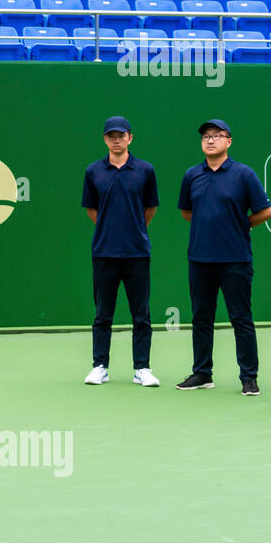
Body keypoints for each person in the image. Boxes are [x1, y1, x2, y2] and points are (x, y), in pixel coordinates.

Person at [175, 119, 271, 395]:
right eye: (206, 136)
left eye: (217, 135)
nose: (210, 140)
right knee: (201, 318)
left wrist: (239, 225)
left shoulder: (244, 174)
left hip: (235, 259)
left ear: (228, 141)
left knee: (240, 318)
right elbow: (186, 212)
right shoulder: (192, 175)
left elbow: (266, 212)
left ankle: (249, 377)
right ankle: (202, 373)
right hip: (200, 259)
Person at [81, 116, 160, 387]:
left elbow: (150, 209)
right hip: (104, 253)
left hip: (137, 253)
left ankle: (142, 368)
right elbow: (93, 210)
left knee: (141, 315)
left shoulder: (145, 170)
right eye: (111, 135)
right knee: (103, 314)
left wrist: (132, 229)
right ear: (105, 139)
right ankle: (99, 366)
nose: (116, 140)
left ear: (130, 137)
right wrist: (110, 229)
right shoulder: (93, 171)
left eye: (121, 135)